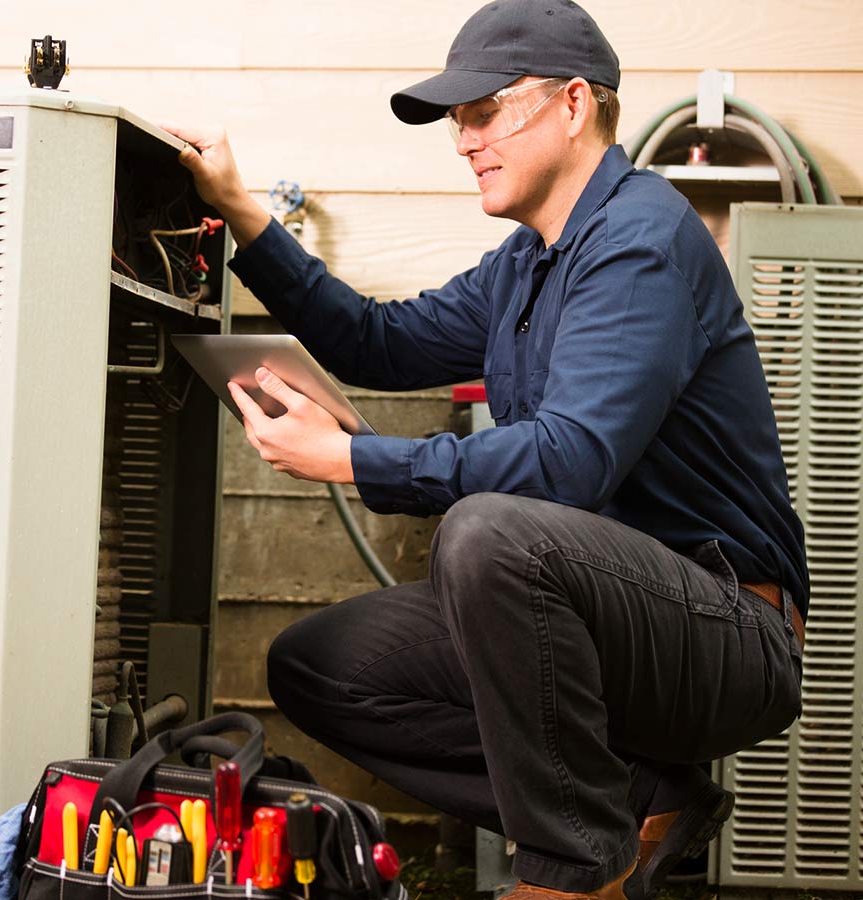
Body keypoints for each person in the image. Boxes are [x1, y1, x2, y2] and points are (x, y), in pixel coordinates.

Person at [162, 1, 808, 898]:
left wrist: (356, 460)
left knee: (491, 534)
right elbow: (376, 345)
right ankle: (634, 801)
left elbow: (569, 463)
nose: (463, 140)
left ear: (574, 104)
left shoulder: (642, 243)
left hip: (724, 627)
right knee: (323, 667)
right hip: (597, 611)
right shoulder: (526, 261)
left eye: (482, 112)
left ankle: (572, 870)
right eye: (455, 121)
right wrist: (239, 211)